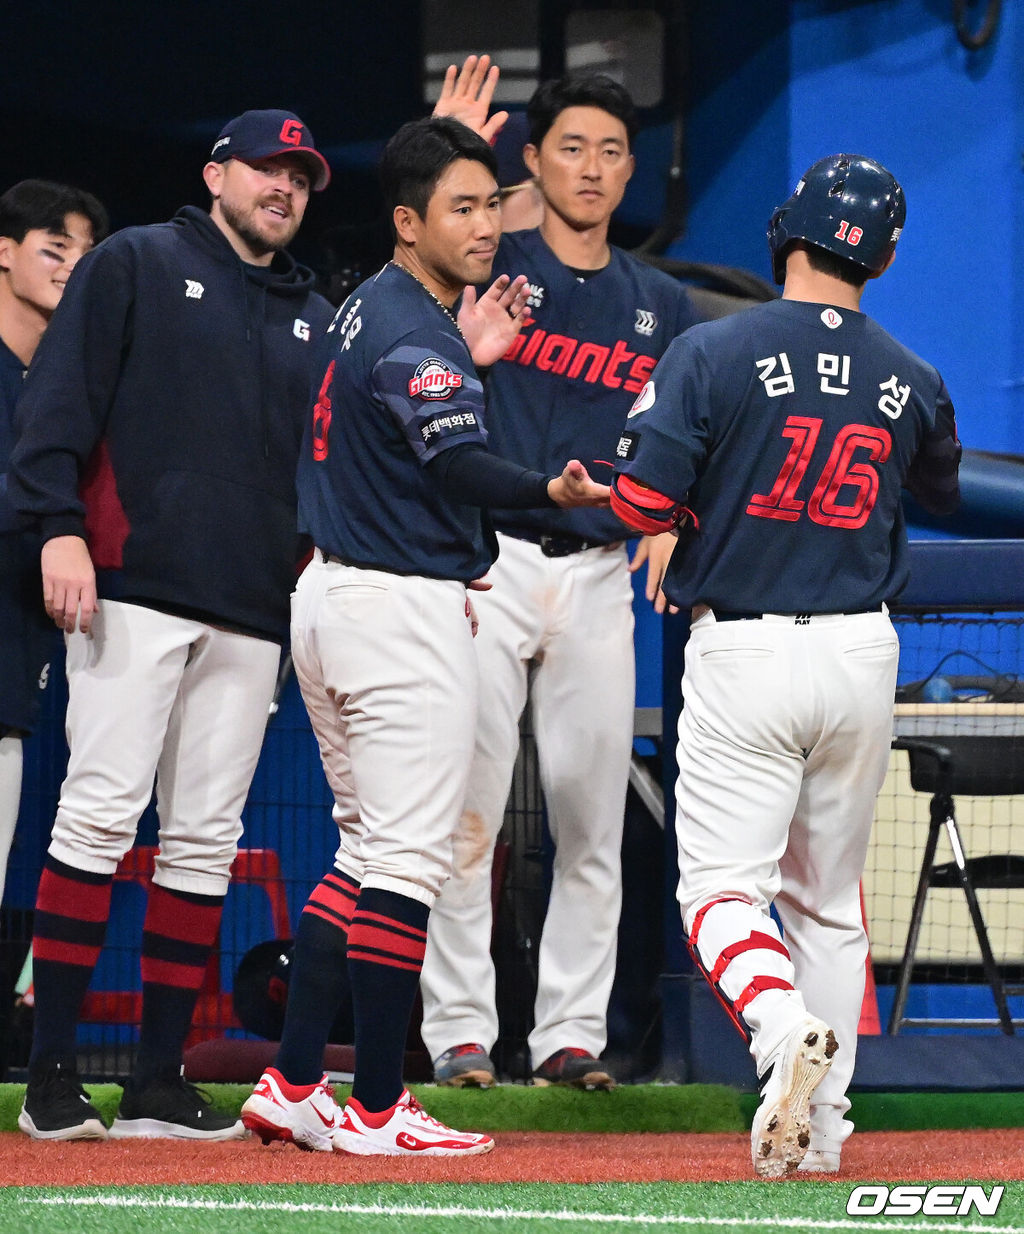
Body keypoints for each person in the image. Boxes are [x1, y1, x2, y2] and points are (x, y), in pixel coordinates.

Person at [239, 115, 610, 1156]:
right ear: (408, 222)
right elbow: (457, 466)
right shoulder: (415, 330)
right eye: (461, 208)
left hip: (335, 598)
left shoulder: (373, 305)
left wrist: (470, 357)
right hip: (396, 613)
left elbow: (405, 440)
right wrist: (547, 489)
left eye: (491, 203)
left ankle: (294, 1081)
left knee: (365, 849)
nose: (486, 225)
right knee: (409, 859)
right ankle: (374, 1107)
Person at [609, 154, 960, 1176]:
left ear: (785, 231)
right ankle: (824, 1133)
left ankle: (777, 1029)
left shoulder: (711, 349)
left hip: (746, 644)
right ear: (883, 257)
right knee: (829, 902)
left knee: (722, 891)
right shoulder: (914, 373)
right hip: (860, 650)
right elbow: (938, 490)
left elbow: (639, 502)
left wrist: (673, 506)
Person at [8, 110, 335, 1141]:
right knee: (98, 818)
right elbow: (56, 401)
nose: (283, 188)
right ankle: (50, 1076)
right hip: (131, 584)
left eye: (300, 177)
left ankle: (156, 1078)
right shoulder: (138, 261)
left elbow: (325, 467)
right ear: (216, 174)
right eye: (267, 169)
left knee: (202, 843)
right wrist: (58, 527)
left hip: (251, 608)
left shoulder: (315, 316)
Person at [420, 70, 699, 1091]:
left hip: (595, 575)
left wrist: (670, 514)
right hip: (487, 560)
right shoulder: (491, 262)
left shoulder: (661, 303)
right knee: (467, 812)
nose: (591, 168)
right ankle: (459, 1034)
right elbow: (403, 316)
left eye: (611, 151)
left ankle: (568, 1037)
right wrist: (443, 152)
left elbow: (688, 441)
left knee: (591, 818)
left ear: (630, 170)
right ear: (531, 162)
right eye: (571, 148)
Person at [0, 180, 108, 910]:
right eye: (55, 248)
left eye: (86, 254)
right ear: (4, 252)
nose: (73, 267)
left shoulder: (72, 389)